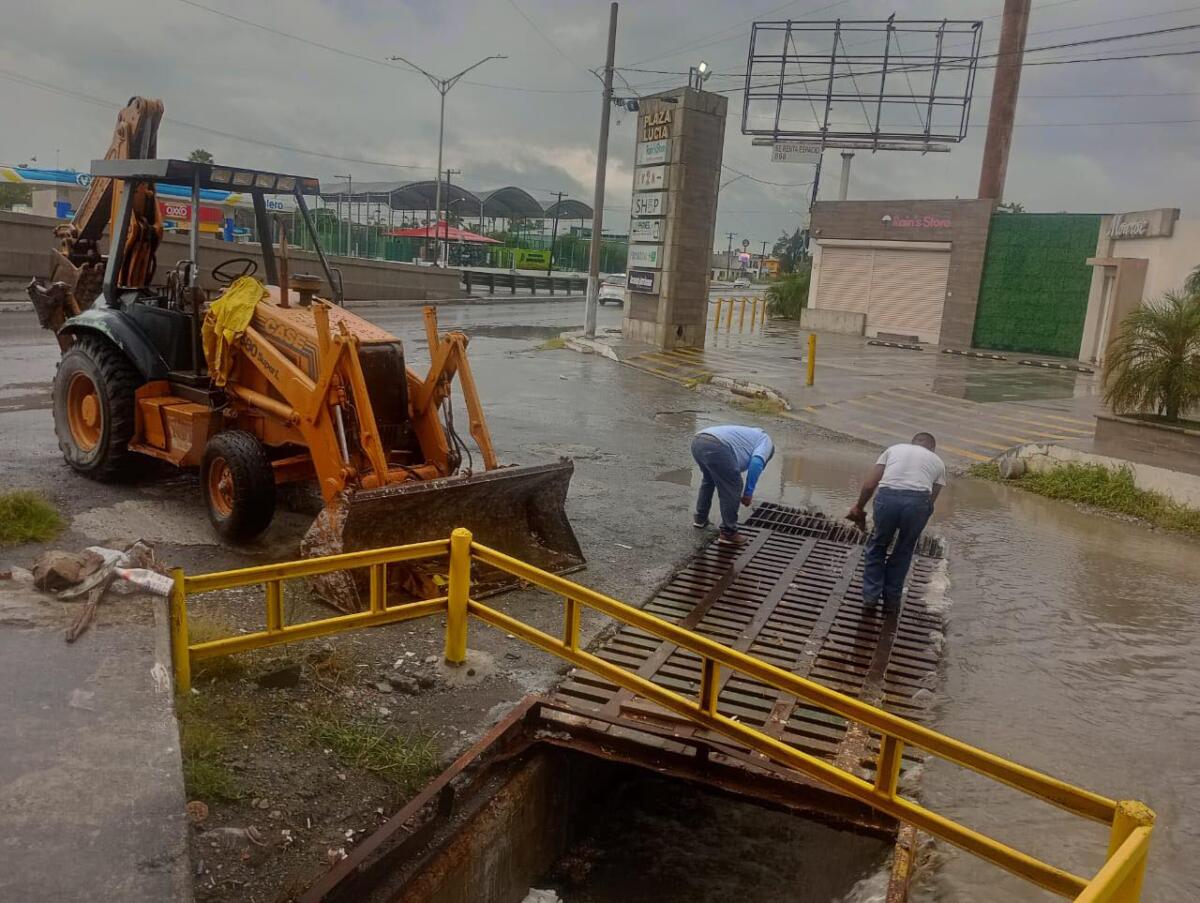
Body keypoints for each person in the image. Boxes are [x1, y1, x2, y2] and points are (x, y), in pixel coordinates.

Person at [848, 432, 946, 610]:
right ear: (932, 448)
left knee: (878, 545)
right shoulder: (938, 462)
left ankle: (870, 597)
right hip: (918, 503)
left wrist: (859, 507)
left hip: (888, 498)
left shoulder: (893, 449)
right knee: (904, 549)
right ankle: (892, 601)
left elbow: (869, 485)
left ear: (912, 443)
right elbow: (930, 502)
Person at [691, 425, 774, 547]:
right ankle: (728, 532)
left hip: (698, 441)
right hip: (717, 445)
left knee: (709, 479)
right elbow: (756, 463)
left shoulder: (752, 435)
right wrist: (748, 493)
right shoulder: (767, 443)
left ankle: (700, 518)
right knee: (733, 486)